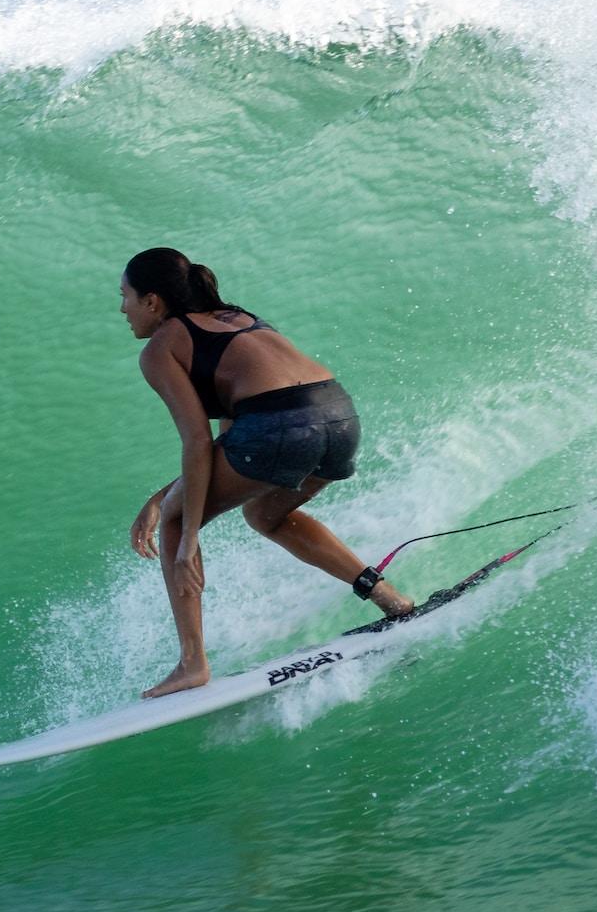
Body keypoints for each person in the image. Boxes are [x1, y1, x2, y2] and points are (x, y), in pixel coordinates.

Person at [119, 246, 415, 698]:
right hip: (339, 418)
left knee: (177, 521)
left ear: (152, 301)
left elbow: (197, 442)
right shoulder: (236, 318)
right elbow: (229, 444)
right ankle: (389, 598)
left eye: (125, 296)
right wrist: (161, 496)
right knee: (265, 516)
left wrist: (186, 532)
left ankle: (192, 663)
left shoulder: (161, 348)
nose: (123, 309)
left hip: (281, 428)